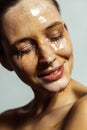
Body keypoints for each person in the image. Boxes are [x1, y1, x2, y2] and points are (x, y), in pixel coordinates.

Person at [0, 0, 87, 130]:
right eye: (25, 49)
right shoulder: (6, 120)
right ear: (5, 61)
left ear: (66, 32)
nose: (48, 58)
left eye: (55, 36)